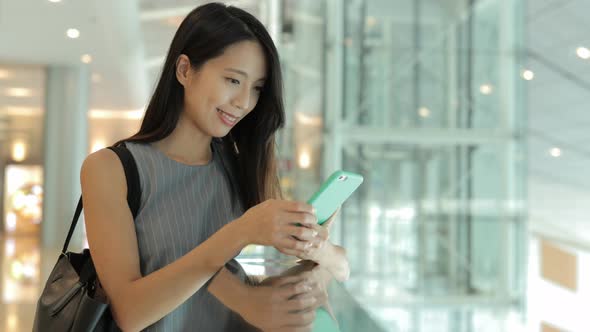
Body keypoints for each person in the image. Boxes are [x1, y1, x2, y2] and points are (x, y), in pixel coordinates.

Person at [81, 2, 349, 331]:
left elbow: (341, 268)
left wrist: (315, 244)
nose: (244, 102)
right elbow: (130, 313)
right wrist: (241, 231)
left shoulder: (241, 167)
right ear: (184, 70)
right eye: (233, 80)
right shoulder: (111, 169)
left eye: (257, 88)